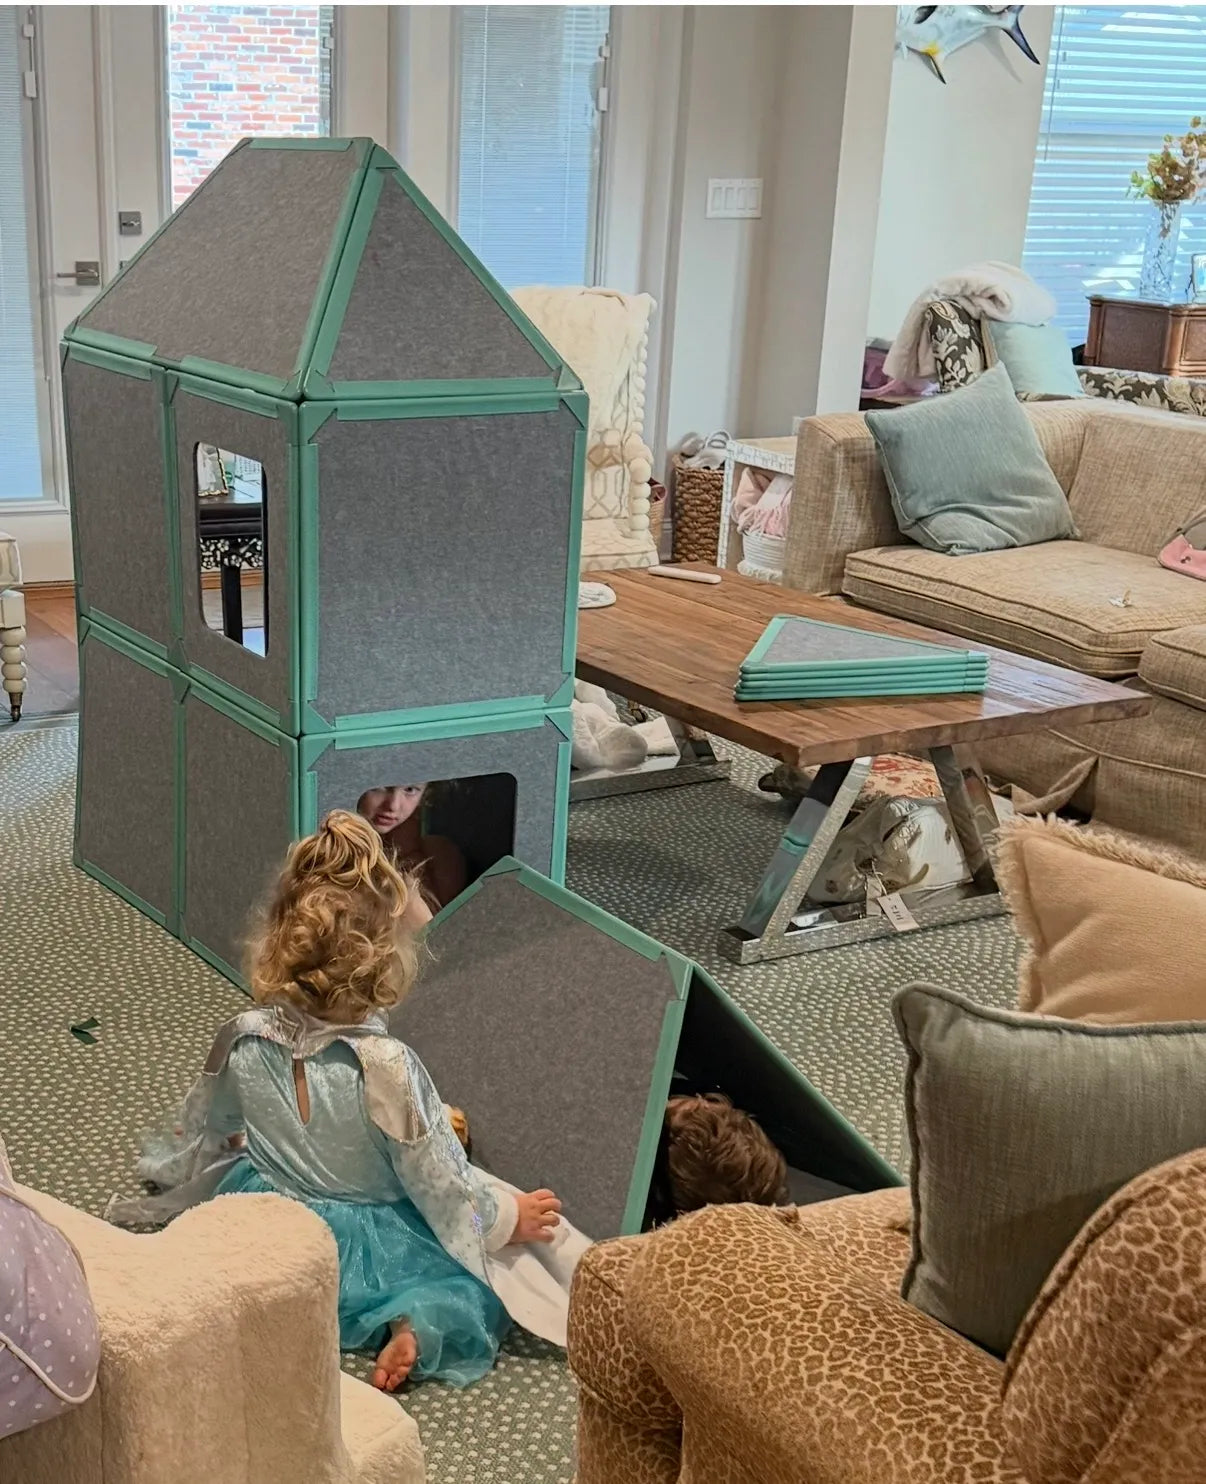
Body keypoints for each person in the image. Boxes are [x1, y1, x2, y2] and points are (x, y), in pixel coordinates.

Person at [107, 812, 588, 1391]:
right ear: (386, 962)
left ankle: (279, 1294)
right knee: (466, 1279)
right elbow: (441, 1183)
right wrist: (506, 1217)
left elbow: (208, 1122)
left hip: (271, 1210)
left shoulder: (242, 1035)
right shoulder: (386, 1067)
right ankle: (411, 1323)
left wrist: (186, 1164)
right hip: (370, 1239)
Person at [356, 784, 467, 909]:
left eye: (410, 790)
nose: (393, 806)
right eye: (380, 786)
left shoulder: (440, 855)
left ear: (425, 794)